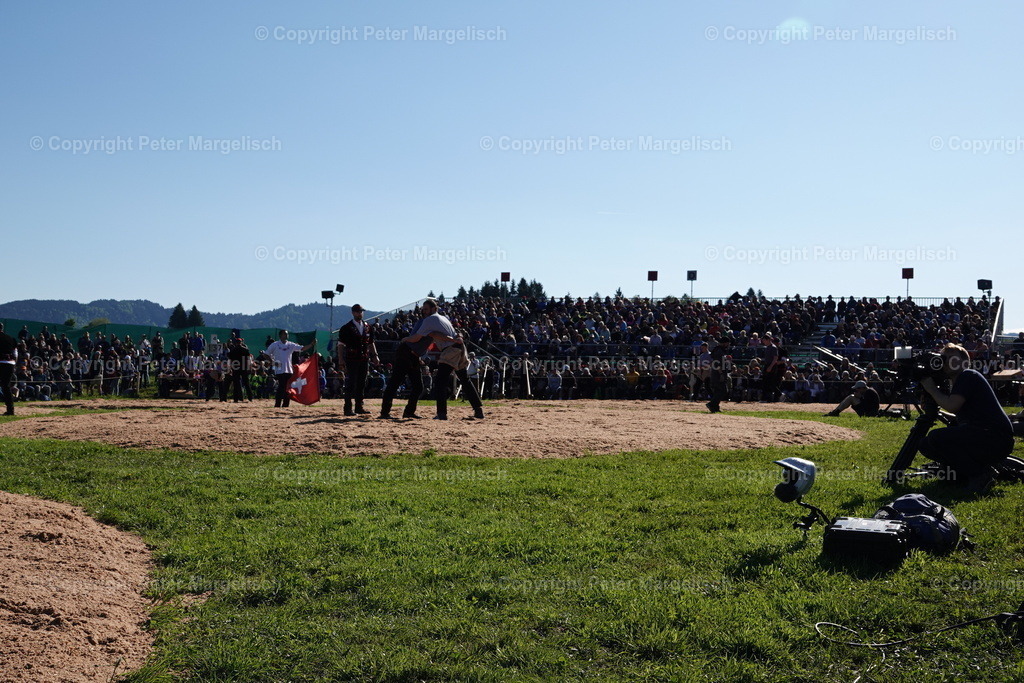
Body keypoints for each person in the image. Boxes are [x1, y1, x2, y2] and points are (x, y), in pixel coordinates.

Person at [917, 343, 1014, 491]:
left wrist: (931, 389)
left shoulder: (968, 375)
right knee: (925, 444)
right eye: (943, 358)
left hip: (994, 437)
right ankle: (961, 474)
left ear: (964, 362)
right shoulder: (957, 382)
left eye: (950, 358)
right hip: (985, 434)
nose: (946, 361)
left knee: (936, 437)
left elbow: (952, 405)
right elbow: (961, 413)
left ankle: (980, 475)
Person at [402, 298, 484, 420]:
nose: (424, 312)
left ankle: (442, 414)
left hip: (450, 350)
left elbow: (417, 337)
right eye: (423, 309)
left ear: (434, 309)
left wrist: (406, 339)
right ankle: (478, 411)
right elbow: (438, 335)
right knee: (465, 379)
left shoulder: (430, 319)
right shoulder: (443, 317)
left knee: (440, 382)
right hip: (460, 348)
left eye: (426, 309)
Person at [337, 304, 379, 416]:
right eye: (357, 312)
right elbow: (341, 345)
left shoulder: (368, 326)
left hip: (364, 358)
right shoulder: (346, 328)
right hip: (351, 358)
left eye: (361, 311)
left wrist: (375, 356)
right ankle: (347, 408)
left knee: (362, 382)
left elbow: (371, 342)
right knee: (350, 383)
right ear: (353, 313)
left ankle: (359, 406)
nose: (359, 313)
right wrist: (341, 359)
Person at [266, 330, 315, 408]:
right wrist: (272, 362)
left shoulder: (290, 344)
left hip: (289, 369)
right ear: (280, 335)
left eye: (287, 334)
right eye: (284, 334)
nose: (286, 335)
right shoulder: (275, 344)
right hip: (279, 369)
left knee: (288, 388)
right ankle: (277, 404)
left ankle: (285, 404)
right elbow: (266, 354)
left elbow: (302, 348)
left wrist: (311, 344)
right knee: (281, 387)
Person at [706, 336, 732, 413]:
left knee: (718, 391)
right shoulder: (719, 352)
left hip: (718, 373)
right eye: (727, 343)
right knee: (723, 390)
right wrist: (721, 374)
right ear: (724, 343)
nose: (728, 345)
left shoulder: (720, 350)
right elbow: (717, 364)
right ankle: (711, 404)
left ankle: (715, 407)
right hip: (718, 374)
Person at [0, 323, 17, 415]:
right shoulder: (11, 338)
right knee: (6, 386)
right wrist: (14, 364)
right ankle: (10, 410)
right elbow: (15, 354)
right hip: (10, 363)